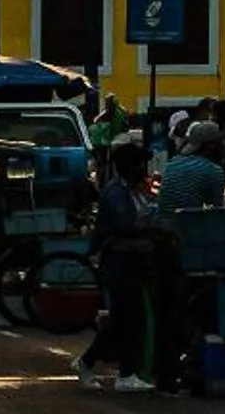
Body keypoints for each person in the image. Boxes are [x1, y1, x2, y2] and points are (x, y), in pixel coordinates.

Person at [82, 141, 164, 394]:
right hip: (119, 261)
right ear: (129, 166)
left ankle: (86, 362)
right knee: (130, 318)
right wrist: (152, 227)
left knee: (122, 318)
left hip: (130, 261)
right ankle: (125, 374)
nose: (144, 168)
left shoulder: (131, 189)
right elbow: (126, 225)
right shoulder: (116, 193)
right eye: (140, 163)